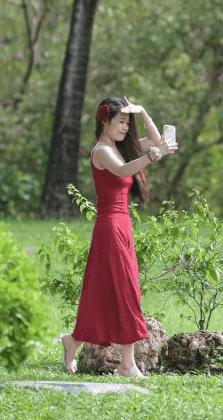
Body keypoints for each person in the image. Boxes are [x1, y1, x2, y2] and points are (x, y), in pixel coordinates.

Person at [57, 96, 177, 378]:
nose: (125, 128)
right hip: (110, 226)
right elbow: (124, 170)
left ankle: (72, 341)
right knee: (126, 291)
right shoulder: (102, 152)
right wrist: (151, 156)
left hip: (122, 225)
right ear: (104, 121)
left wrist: (143, 112)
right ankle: (127, 365)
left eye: (127, 123)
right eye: (120, 122)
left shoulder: (121, 148)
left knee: (106, 292)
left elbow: (155, 139)